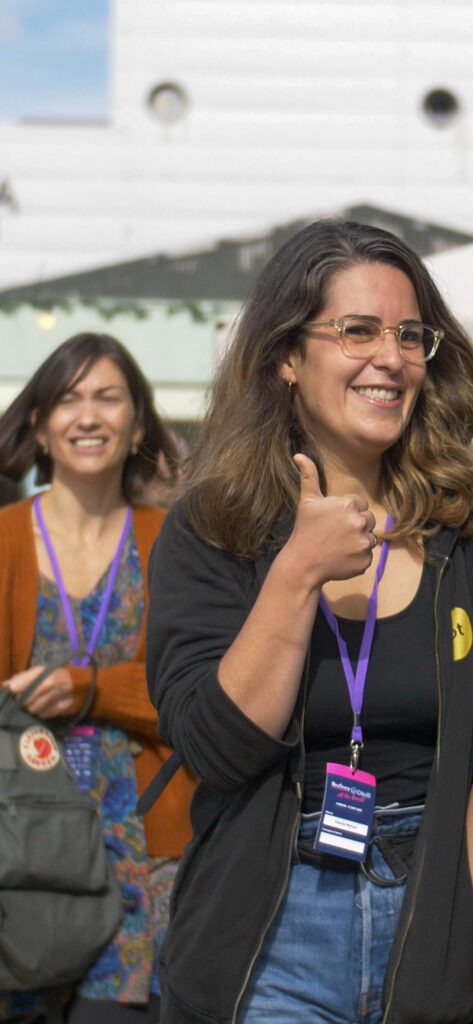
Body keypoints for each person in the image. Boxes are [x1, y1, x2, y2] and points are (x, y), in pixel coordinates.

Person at [145, 219, 473, 1024]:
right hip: (273, 925)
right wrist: (295, 574)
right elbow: (216, 747)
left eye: (410, 335)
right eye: (357, 331)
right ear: (287, 356)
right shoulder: (215, 525)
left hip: (436, 907)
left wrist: (465, 907)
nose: (390, 357)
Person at [0, 333, 194, 1023]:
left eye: (107, 398)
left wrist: (90, 688)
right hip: (20, 855)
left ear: (138, 423)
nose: (88, 416)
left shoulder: (174, 541)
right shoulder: (5, 540)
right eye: (68, 399)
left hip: (144, 859)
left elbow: (199, 695)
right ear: (38, 424)